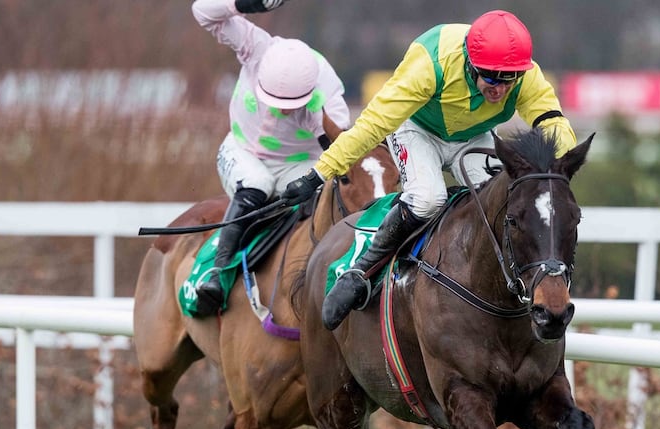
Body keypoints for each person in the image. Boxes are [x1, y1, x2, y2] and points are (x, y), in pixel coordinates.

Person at [283, 9, 578, 330]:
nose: (499, 89)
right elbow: (371, 125)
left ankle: (516, 290)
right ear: (469, 63)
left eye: (509, 79)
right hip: (416, 129)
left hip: (473, 135)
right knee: (428, 198)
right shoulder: (430, 65)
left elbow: (553, 124)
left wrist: (558, 166)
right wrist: (319, 174)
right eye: (490, 77)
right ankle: (361, 269)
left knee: (506, 202)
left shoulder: (523, 73)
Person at [191, 0, 351, 316]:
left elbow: (341, 153)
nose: (280, 110)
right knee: (256, 183)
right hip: (241, 149)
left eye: (289, 105)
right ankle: (218, 273)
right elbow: (201, 12)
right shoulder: (256, 47)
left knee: (323, 195)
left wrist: (315, 179)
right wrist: (241, 4)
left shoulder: (326, 98)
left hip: (299, 163)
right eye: (273, 101)